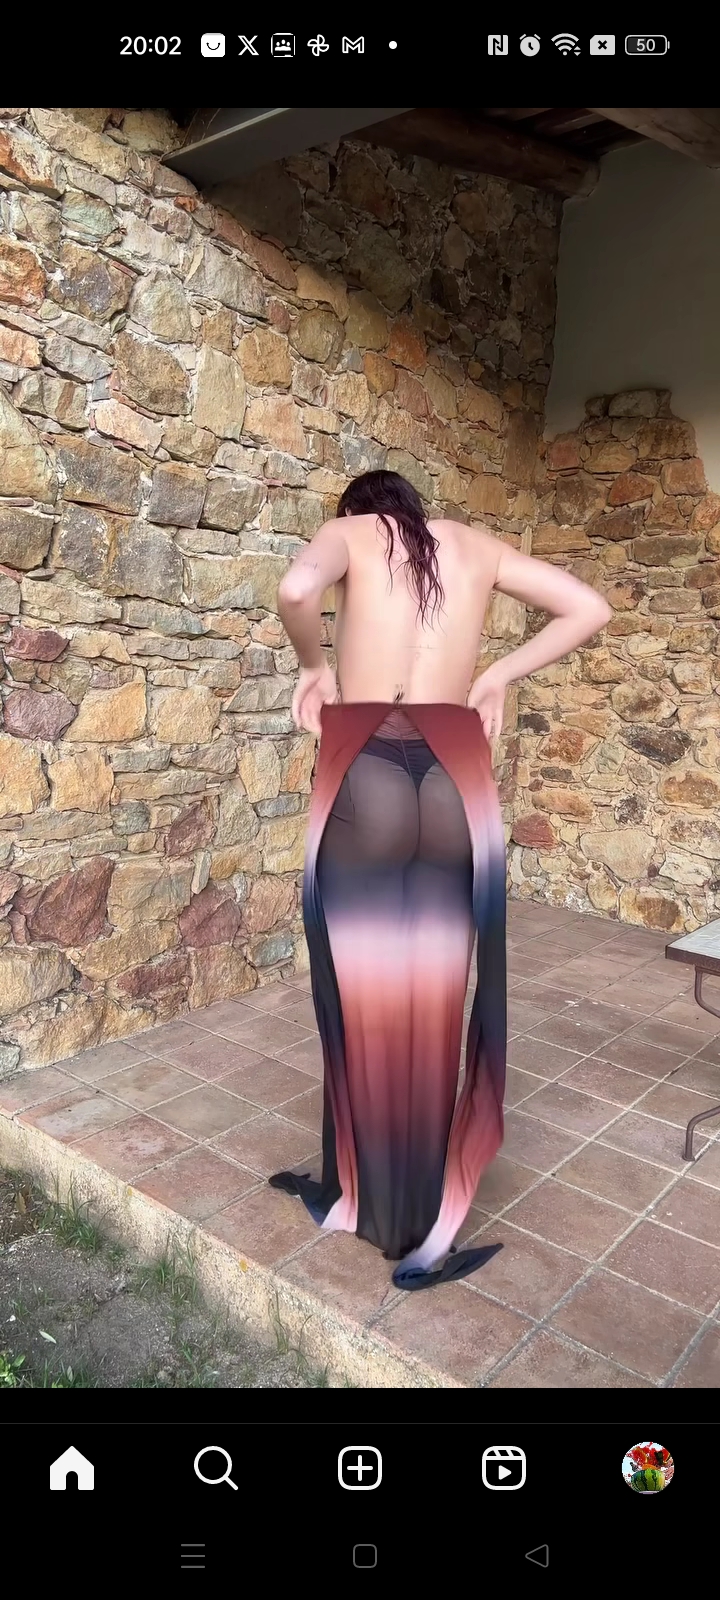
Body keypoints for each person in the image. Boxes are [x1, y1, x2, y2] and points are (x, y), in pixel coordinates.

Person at [269, 470, 612, 1290]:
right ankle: (421, 1222)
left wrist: (314, 665)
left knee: (359, 992)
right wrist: (498, 675)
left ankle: (360, 1195)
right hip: (456, 778)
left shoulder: (351, 533)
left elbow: (296, 589)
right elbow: (590, 608)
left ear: (359, 511)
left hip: (367, 766)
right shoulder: (476, 547)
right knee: (434, 1000)